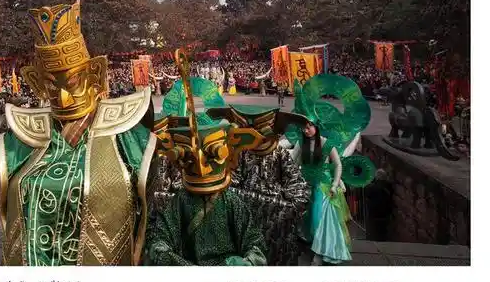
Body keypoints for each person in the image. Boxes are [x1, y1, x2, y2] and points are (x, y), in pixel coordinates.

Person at [0, 0, 158, 266]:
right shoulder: (20, 142)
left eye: (71, 83)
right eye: (50, 85)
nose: (62, 97)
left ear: (94, 73)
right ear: (36, 83)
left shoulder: (128, 137)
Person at [145, 50, 267, 266]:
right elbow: (158, 244)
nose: (200, 163)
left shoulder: (231, 202)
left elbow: (255, 245)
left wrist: (241, 265)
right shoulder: (180, 202)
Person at [281, 74, 376, 265]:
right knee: (304, 217)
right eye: (303, 127)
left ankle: (320, 252)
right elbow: (293, 161)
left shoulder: (326, 144)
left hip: (322, 186)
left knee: (319, 218)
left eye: (309, 127)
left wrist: (334, 182)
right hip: (304, 184)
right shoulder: (300, 144)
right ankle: (309, 244)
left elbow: (338, 164)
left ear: (316, 126)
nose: (306, 130)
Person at [225, 107, 311, 265]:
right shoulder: (242, 153)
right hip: (246, 219)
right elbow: (232, 180)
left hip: (275, 223)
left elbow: (298, 187)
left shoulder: (279, 153)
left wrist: (285, 207)